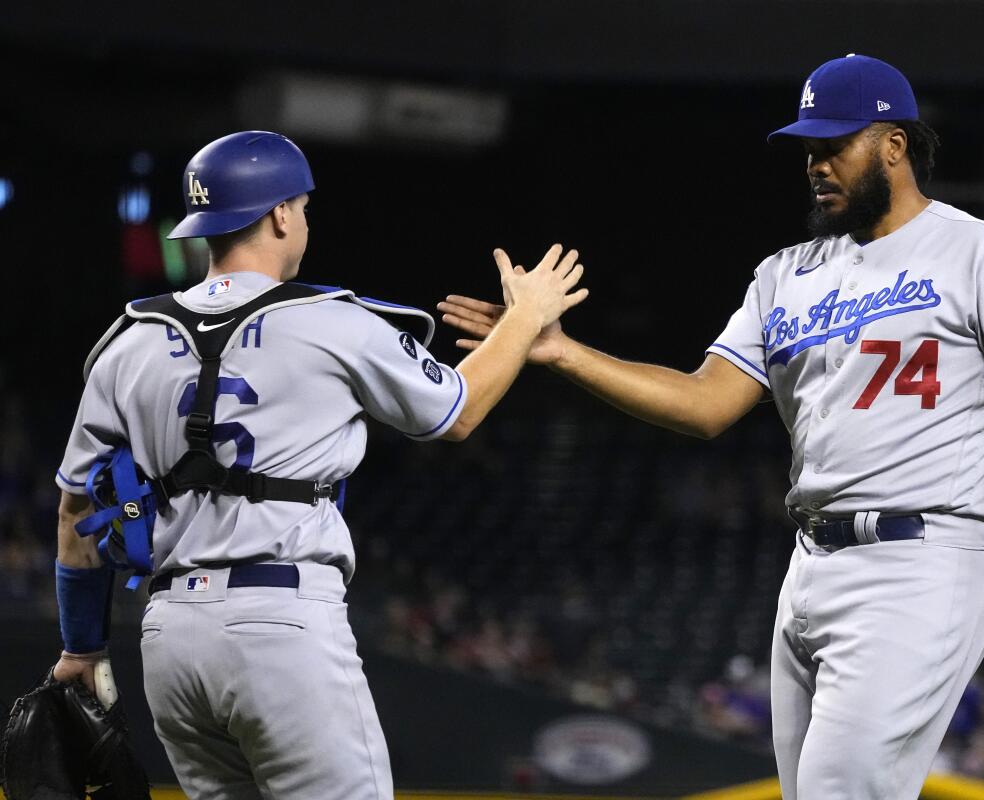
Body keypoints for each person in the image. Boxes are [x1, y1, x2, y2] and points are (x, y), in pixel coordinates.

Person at [439, 55, 984, 800]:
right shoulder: (785, 275)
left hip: (925, 562)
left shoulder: (980, 253)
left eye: (835, 144)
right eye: (809, 148)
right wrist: (560, 352)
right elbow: (706, 402)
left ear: (893, 145)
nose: (816, 163)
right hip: (809, 566)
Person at [50, 130, 586, 799]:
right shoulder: (330, 321)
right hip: (280, 624)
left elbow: (76, 511)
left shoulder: (126, 342)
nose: (303, 219)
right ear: (278, 213)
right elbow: (459, 410)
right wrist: (526, 316)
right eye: (301, 206)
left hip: (168, 640)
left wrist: (81, 648)